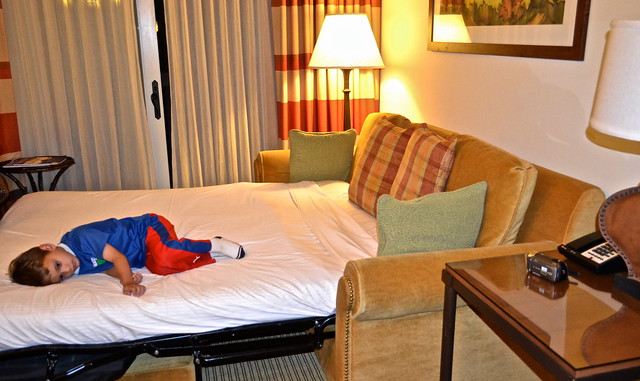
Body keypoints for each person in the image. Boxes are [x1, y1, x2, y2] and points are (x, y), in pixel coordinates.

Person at [8, 213, 245, 297]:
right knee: (161, 268)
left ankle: (213, 244)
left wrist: (126, 281)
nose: (67, 271)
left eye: (58, 266)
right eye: (60, 277)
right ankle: (210, 257)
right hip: (143, 255)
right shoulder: (78, 265)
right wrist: (126, 274)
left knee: (167, 254)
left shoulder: (81, 239)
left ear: (48, 247)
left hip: (147, 230)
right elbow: (107, 267)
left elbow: (117, 258)